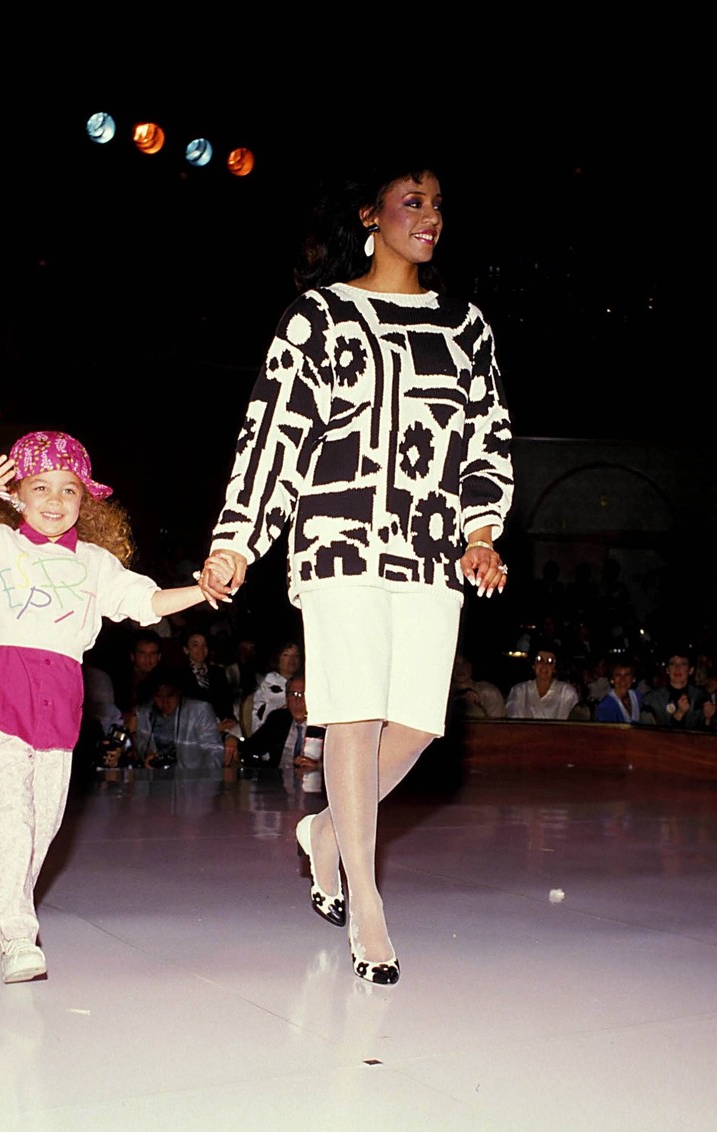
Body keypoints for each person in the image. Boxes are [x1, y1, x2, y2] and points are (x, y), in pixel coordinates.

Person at [198, 162, 513, 984]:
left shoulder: (465, 326)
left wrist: (481, 531)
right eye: (414, 201)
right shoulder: (322, 316)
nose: (431, 216)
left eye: (440, 203)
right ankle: (367, 905)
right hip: (337, 542)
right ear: (372, 214)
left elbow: (488, 440)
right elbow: (272, 436)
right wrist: (238, 540)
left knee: (418, 722)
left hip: (431, 549)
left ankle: (330, 833)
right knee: (354, 714)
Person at [0, 431, 220, 984]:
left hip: (61, 693)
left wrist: (201, 590)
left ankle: (2, 912)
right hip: (3, 684)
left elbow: (147, 602)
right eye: (41, 486)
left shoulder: (96, 564)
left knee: (45, 819)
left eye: (69, 489)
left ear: (86, 501)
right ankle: (17, 932)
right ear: (16, 494)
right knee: (10, 810)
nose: (55, 500)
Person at [641, 650, 712, 730]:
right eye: (672, 664)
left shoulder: (701, 696)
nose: (677, 668)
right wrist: (679, 714)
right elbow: (648, 736)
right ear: (667, 670)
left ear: (691, 670)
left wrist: (708, 719)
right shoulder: (652, 699)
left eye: (683, 664)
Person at [505, 647, 579, 720]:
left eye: (550, 661)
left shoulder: (567, 693)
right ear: (533, 665)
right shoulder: (519, 691)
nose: (544, 665)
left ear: (555, 668)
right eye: (539, 660)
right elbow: (513, 724)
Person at [595, 658, 642, 723]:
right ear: (612, 679)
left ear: (633, 678)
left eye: (627, 674)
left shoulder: (638, 697)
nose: (623, 679)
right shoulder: (606, 706)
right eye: (618, 675)